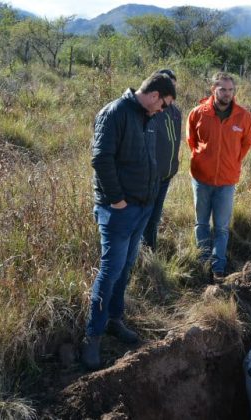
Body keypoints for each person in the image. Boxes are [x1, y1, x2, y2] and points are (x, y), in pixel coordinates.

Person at [81, 73, 177, 371]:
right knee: (110, 270)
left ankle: (114, 320)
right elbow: (101, 159)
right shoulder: (115, 113)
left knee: (126, 267)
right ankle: (92, 336)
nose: (163, 110)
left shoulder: (145, 116)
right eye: (164, 104)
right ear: (153, 94)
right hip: (119, 211)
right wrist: (117, 199)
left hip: (141, 208)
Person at [187, 72, 251, 279]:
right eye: (223, 89)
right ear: (213, 90)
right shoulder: (198, 113)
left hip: (226, 181)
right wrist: (202, 159)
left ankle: (218, 267)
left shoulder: (243, 116)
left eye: (231, 90)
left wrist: (231, 162)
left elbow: (246, 144)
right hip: (201, 179)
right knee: (202, 223)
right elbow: (192, 141)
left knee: (222, 227)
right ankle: (203, 261)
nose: (227, 93)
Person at [142, 69, 183, 251]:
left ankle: (151, 250)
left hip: (167, 174)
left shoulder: (176, 112)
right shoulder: (150, 110)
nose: (171, 90)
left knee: (155, 217)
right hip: (150, 175)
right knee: (146, 216)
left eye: (174, 86)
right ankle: (145, 254)